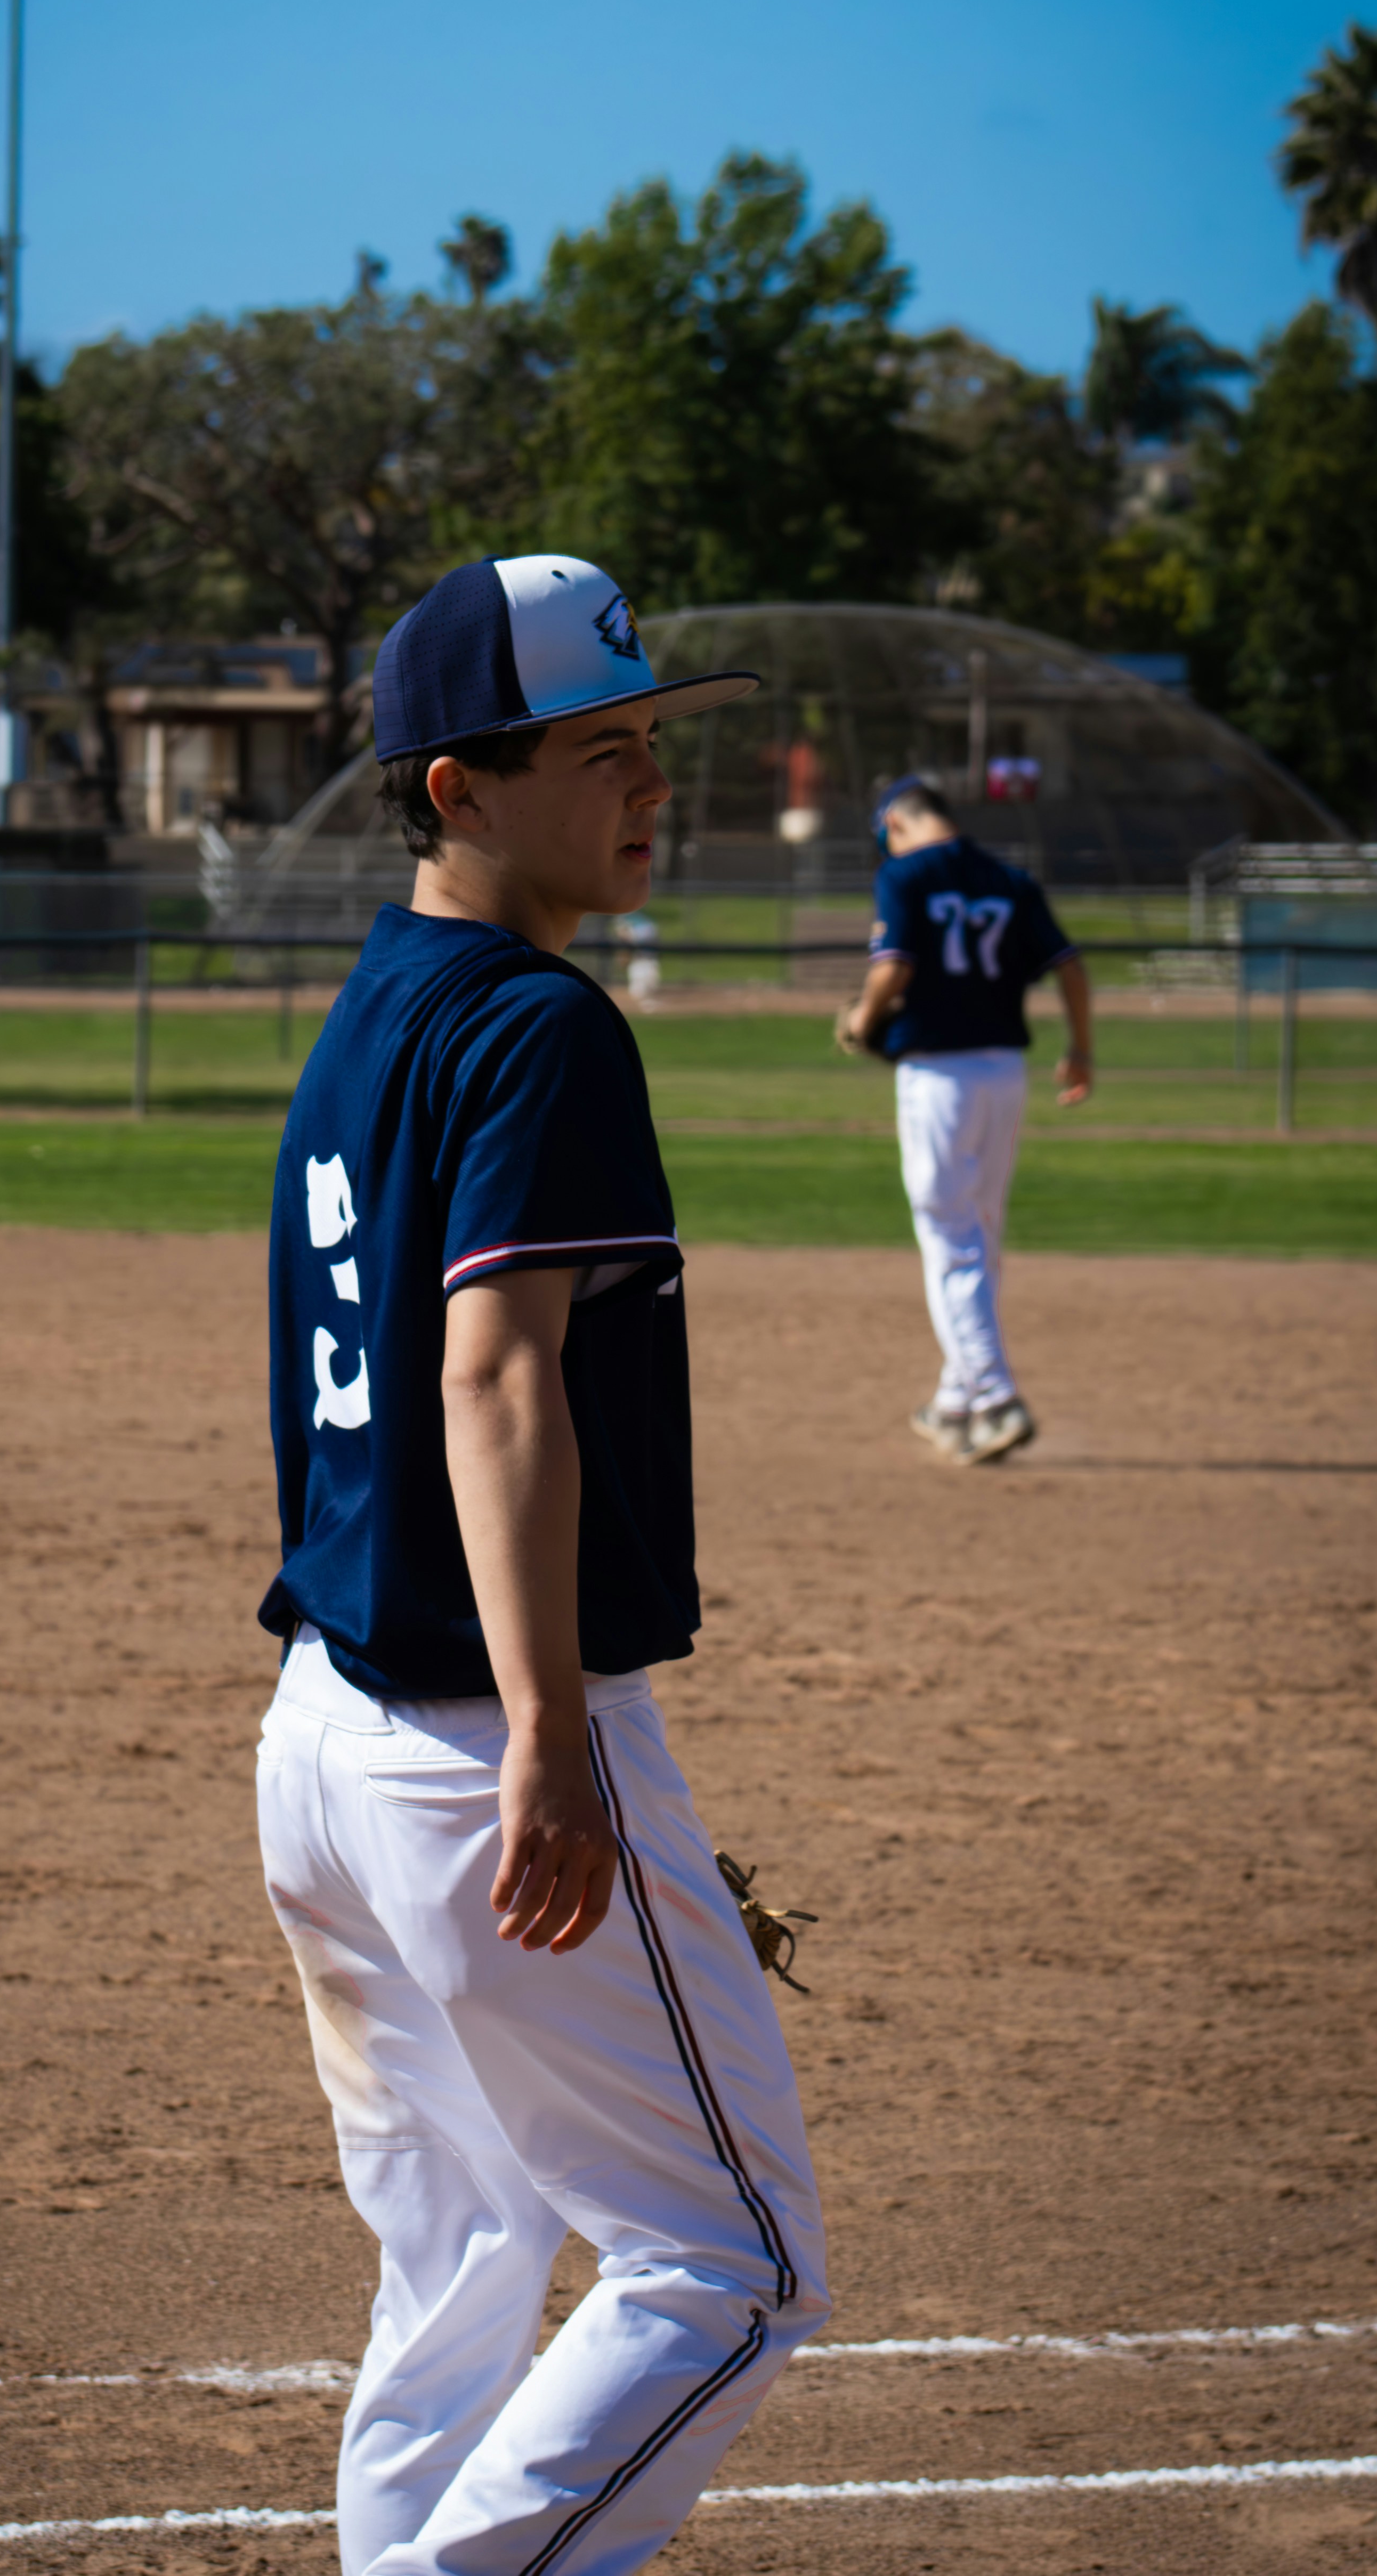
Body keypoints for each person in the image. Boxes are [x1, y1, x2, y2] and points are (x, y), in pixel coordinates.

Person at [255, 552, 830, 2576]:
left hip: (321, 1735)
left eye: (651, 743)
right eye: (596, 752)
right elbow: (494, 1379)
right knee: (731, 2263)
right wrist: (548, 1737)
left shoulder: (372, 1015)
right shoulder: (539, 1029)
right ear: (455, 791)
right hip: (473, 1739)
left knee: (469, 2247)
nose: (646, 785)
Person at [835, 774, 1094, 1465]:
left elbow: (893, 969)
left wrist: (860, 1021)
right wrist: (1082, 1049)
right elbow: (1069, 966)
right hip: (1005, 1072)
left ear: (896, 824)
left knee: (949, 1235)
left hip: (938, 1076)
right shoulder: (1008, 878)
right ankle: (955, 1402)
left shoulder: (904, 873)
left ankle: (997, 1395)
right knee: (979, 1231)